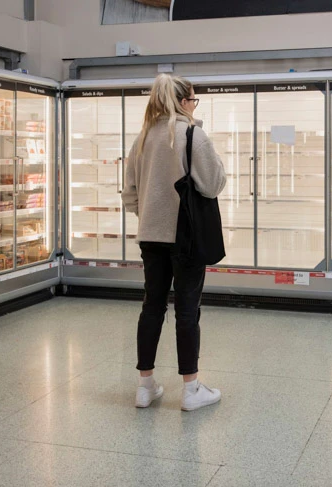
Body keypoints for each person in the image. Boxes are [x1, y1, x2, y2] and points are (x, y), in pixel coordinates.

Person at [122, 74, 227, 412]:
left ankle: (145, 385)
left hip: (150, 236)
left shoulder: (142, 138)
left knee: (151, 305)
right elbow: (213, 183)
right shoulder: (191, 134)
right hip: (185, 236)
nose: (194, 106)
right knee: (186, 309)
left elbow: (129, 195)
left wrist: (149, 216)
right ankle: (191, 389)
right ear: (183, 102)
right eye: (193, 100)